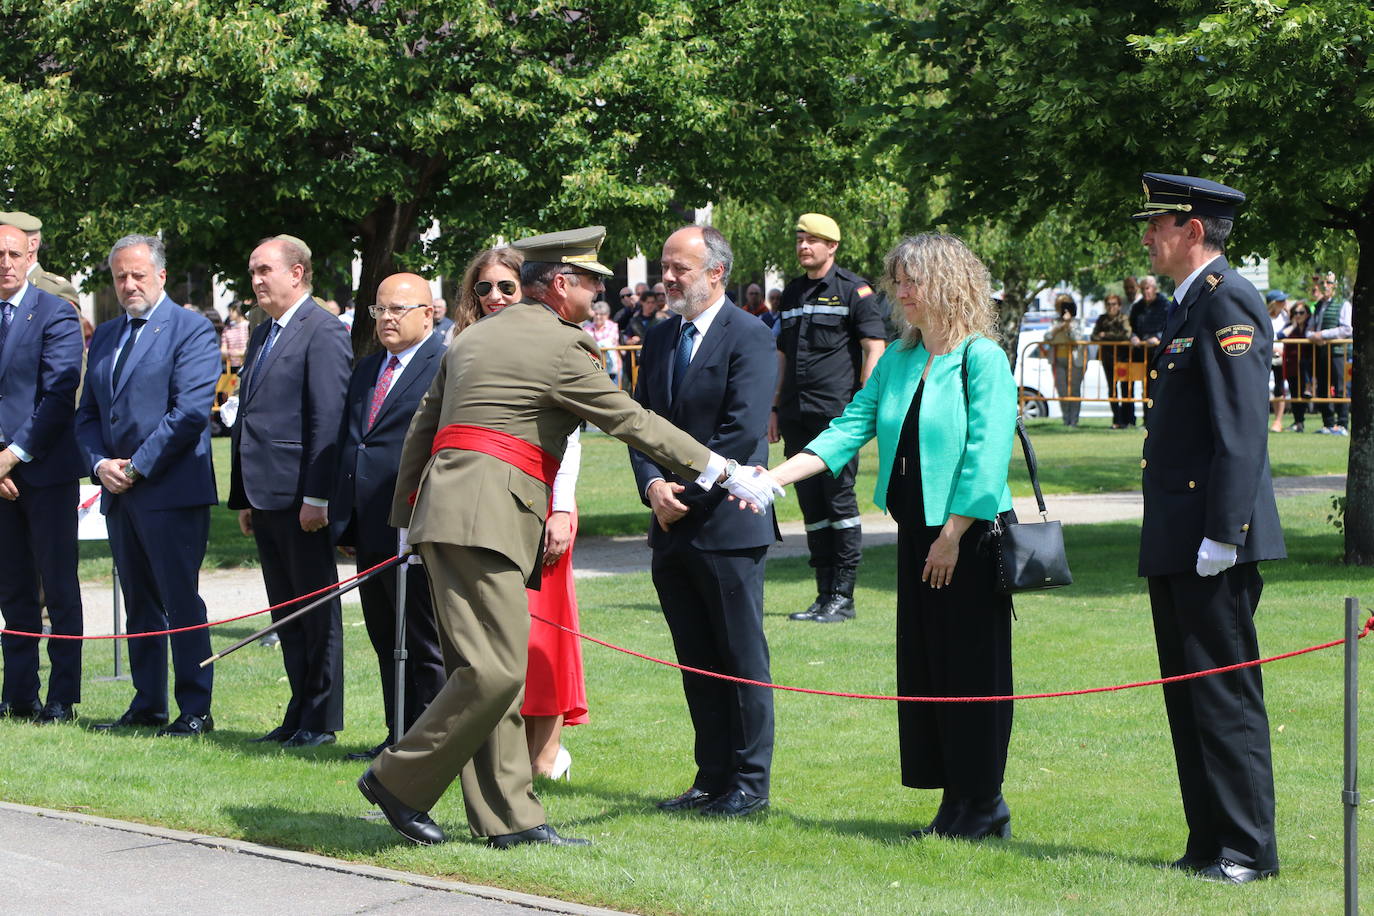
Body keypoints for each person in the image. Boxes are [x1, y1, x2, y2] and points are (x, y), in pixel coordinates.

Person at [357, 226, 777, 848]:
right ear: (560, 285)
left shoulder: (473, 337)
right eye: (591, 281)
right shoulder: (563, 348)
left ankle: (510, 821)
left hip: (448, 516)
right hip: (487, 518)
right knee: (495, 673)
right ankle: (398, 778)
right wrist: (723, 471)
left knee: (487, 670)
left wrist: (406, 512)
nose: (599, 293)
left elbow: (425, 423)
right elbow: (631, 420)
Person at [765, 233, 1017, 839]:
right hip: (917, 535)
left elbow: (987, 452)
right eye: (897, 280)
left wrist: (954, 534)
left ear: (949, 285)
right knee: (928, 668)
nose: (900, 292)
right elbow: (846, 427)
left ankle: (983, 804)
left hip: (970, 536)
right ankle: (955, 801)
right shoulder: (901, 360)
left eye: (912, 281)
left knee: (971, 670)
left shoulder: (981, 357)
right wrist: (773, 476)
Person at [1135, 172, 1285, 884]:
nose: (1147, 237)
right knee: (1188, 692)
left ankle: (1248, 849)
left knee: (1224, 695)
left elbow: (1241, 430)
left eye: (1158, 224)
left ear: (1192, 230)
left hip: (1210, 538)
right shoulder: (1187, 305)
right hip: (1178, 534)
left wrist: (1225, 532)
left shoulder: (1228, 299)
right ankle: (1210, 839)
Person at [630, 226, 778, 818]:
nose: (666, 278)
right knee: (695, 657)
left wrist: (686, 493)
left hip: (726, 526)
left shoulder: (750, 337)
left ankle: (748, 783)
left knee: (740, 658)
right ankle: (711, 776)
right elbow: (639, 423)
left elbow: (740, 433)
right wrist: (653, 487)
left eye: (679, 269)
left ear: (716, 272)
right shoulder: (661, 336)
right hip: (670, 526)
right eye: (665, 267)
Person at [75, 235, 221, 736]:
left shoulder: (192, 329)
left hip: (170, 490)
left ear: (161, 275)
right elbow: (89, 413)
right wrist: (99, 465)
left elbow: (188, 414)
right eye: (120, 276)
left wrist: (135, 467)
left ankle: (195, 710)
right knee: (138, 602)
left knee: (180, 601)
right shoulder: (110, 335)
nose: (128, 284)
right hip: (118, 491)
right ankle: (148, 703)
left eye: (138, 274)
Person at [458, 245, 588, 780]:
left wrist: (561, 508)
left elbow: (572, 437)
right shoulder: (465, 345)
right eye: (483, 288)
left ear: (527, 291)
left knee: (544, 639)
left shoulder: (553, 342)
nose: (494, 297)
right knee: (490, 642)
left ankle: (544, 754)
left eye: (505, 287)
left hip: (543, 508)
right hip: (482, 512)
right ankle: (498, 756)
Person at [228, 235, 352, 748]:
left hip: (303, 497)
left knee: (314, 610)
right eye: (253, 271)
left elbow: (328, 421)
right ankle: (298, 712)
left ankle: (320, 719)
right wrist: (245, 498)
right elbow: (252, 418)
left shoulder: (320, 330)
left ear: (297, 273)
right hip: (267, 495)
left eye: (265, 271)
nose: (257, 280)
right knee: (285, 610)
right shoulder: (264, 332)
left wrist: (318, 498)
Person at [330, 273, 446, 761]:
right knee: (384, 632)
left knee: (423, 636)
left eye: (399, 309)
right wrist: (348, 521)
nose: (388, 319)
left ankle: (432, 740)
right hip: (372, 520)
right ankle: (397, 730)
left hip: (418, 521)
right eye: (380, 310)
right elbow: (355, 442)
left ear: (429, 313)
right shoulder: (368, 368)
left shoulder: (446, 363)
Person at [771, 213, 887, 623]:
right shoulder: (791, 294)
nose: (804, 246)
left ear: (832, 246)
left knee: (840, 502)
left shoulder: (854, 290)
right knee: (812, 506)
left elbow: (874, 347)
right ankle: (823, 595)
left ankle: (844, 594)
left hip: (837, 417)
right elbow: (781, 354)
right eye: (800, 238)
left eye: (813, 240)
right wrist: (773, 406)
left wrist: (864, 404)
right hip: (796, 414)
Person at [0, 223, 85, 724]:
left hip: (46, 472)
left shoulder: (55, 311)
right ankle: (19, 694)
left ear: (28, 253)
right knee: (11, 589)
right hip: (1, 480)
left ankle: (62, 697)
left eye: (12, 253)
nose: (5, 263)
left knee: (58, 585)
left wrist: (11, 456)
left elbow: (58, 395)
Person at [1307, 271, 1351, 435]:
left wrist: (1323, 335)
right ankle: (1328, 423)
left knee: (1341, 388)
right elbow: (1310, 329)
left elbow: (1347, 329)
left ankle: (1342, 424)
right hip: (1321, 351)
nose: (1325, 286)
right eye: (1323, 283)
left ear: (1335, 286)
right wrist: (1313, 337)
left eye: (1329, 283)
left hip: (1339, 351)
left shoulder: (1343, 303)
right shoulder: (1318, 305)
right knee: (1323, 388)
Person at [1125, 275, 1170, 426]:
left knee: (1155, 388)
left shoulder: (1165, 305)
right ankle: (1134, 420)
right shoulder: (1137, 307)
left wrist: (1157, 338)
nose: (1145, 292)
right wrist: (1133, 337)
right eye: (1143, 289)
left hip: (1158, 353)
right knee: (1134, 386)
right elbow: (1131, 327)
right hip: (1139, 352)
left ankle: (1154, 421)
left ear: (1155, 288)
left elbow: (1170, 327)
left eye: (1148, 288)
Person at [1091, 293, 1133, 428]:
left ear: (1119, 305)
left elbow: (1126, 335)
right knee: (1112, 389)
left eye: (1114, 304)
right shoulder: (1101, 319)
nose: (1111, 307)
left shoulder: (1123, 318)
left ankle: (1127, 420)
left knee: (1125, 389)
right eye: (1108, 304)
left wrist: (1106, 335)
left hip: (1123, 358)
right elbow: (1094, 337)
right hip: (1107, 358)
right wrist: (1105, 337)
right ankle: (1117, 420)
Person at [1043, 293, 1085, 426]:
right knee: (1062, 391)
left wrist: (1068, 324)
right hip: (1057, 360)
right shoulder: (1055, 322)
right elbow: (1047, 337)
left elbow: (1076, 338)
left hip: (1075, 360)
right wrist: (1059, 328)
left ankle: (1074, 421)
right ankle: (1066, 420)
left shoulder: (1078, 322)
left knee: (1074, 390)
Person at [1280, 301, 1314, 432]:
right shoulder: (1290, 326)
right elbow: (1280, 336)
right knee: (1294, 394)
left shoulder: (1310, 327)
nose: (1298, 315)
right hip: (1292, 365)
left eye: (1301, 312)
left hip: (1308, 367)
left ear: (1307, 314)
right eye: (1295, 313)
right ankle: (1298, 422)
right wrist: (1293, 325)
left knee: (1304, 395)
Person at [1264, 290, 1289, 432]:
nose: (1284, 303)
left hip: (1281, 358)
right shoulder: (1264, 317)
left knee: (1280, 388)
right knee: (1264, 388)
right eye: (1281, 301)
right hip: (1267, 356)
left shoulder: (1286, 317)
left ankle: (1278, 421)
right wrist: (1273, 349)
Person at [584, 300, 621, 386]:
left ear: (607, 315)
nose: (598, 317)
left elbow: (609, 342)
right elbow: (586, 343)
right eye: (596, 314)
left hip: (612, 368)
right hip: (594, 368)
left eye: (602, 314)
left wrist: (594, 345)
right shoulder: (587, 328)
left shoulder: (613, 326)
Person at [221, 302, 250, 373]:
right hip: (230, 366)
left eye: (231, 310)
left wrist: (239, 353)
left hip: (246, 364)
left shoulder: (248, 326)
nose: (229, 313)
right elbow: (223, 349)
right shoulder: (227, 328)